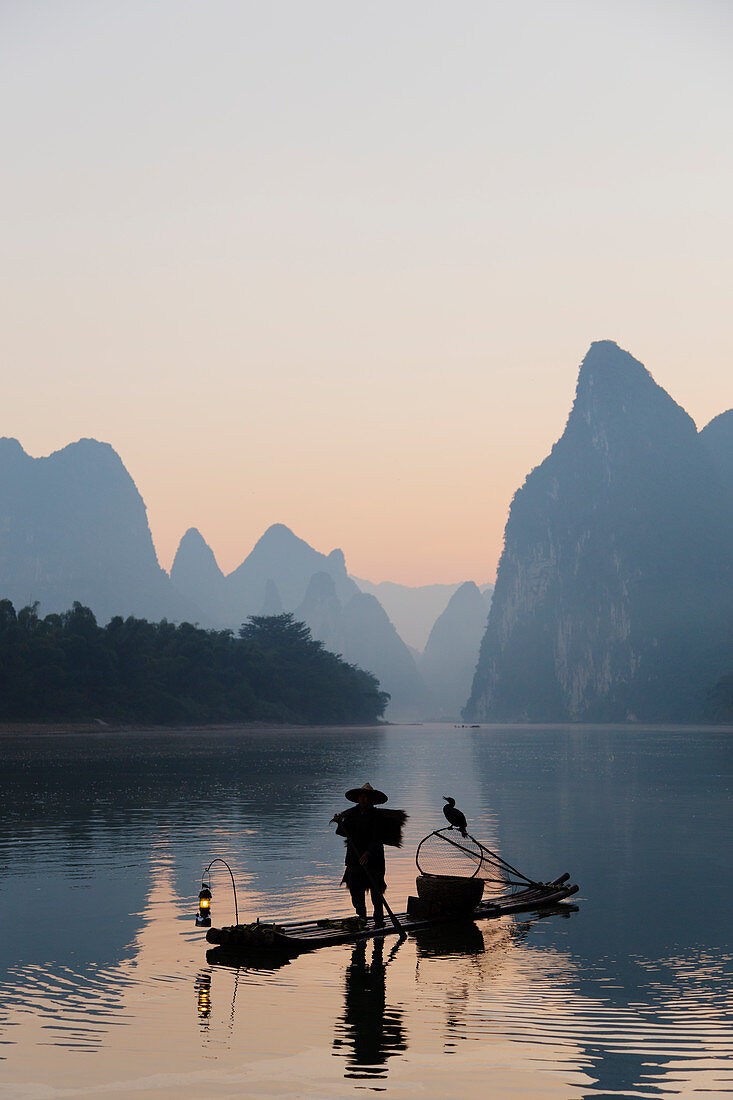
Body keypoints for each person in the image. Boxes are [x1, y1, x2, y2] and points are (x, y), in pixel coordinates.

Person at [332, 782, 404, 927]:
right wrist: (339, 822)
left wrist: (368, 853)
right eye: (361, 797)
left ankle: (378, 920)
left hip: (374, 859)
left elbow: (377, 837)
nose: (364, 800)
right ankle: (362, 917)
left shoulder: (377, 816)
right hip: (354, 857)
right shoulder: (351, 814)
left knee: (376, 891)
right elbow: (342, 832)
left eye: (366, 797)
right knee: (355, 889)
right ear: (358, 798)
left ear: (371, 800)